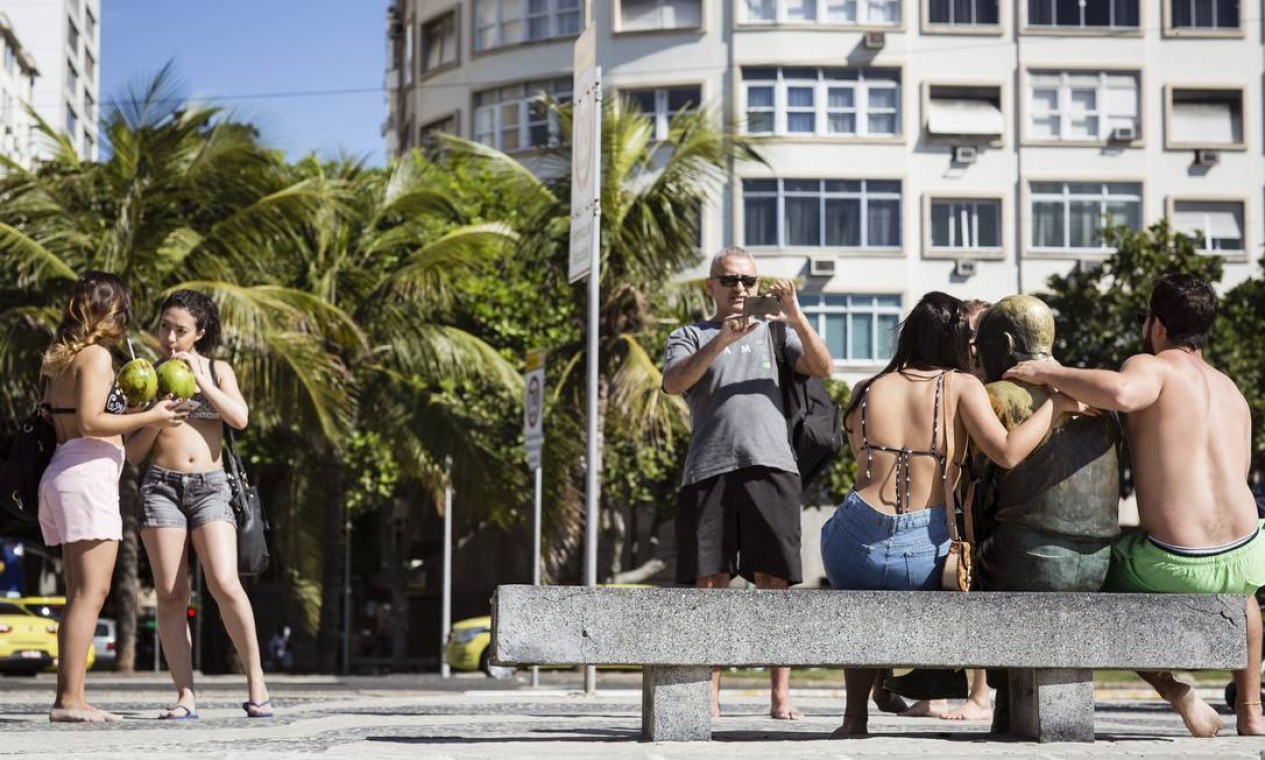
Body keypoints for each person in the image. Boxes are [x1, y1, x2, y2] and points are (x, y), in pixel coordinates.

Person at [1006, 273, 1265, 737]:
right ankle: (1251, 713)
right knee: (1244, 597)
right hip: (1247, 553)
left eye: (1145, 317)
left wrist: (1047, 373)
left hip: (1177, 561)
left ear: (1159, 326)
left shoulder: (1154, 366)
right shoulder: (1231, 390)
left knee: (1083, 580)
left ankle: (1178, 693)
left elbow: (1123, 393)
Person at [820, 292, 1082, 738]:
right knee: (950, 566)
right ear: (958, 340)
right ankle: (908, 679)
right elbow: (1007, 452)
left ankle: (854, 718)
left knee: (865, 592)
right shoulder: (960, 386)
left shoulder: (866, 389)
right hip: (918, 552)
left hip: (848, 541)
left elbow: (861, 459)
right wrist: (1055, 406)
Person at [662, 246, 833, 720]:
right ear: (710, 286)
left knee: (774, 583)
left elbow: (823, 367)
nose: (740, 289)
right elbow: (675, 383)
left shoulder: (778, 334)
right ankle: (709, 694)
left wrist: (795, 314)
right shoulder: (689, 335)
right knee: (710, 584)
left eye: (749, 281)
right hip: (708, 470)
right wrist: (721, 341)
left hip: (772, 467)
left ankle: (780, 696)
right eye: (730, 280)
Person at [38, 272, 188, 722]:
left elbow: (91, 424)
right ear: (105, 312)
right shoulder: (97, 357)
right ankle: (69, 700)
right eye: (122, 310)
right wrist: (154, 413)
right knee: (91, 592)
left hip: (68, 469)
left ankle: (72, 696)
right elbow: (91, 422)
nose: (126, 321)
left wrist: (148, 417)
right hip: (85, 475)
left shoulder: (59, 359)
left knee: (80, 593)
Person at [124, 290, 272, 720]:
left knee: (225, 583)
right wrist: (157, 417)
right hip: (161, 488)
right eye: (165, 327)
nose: (170, 337)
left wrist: (200, 378)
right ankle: (185, 694)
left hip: (210, 487)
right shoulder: (143, 374)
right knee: (172, 595)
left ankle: (256, 681)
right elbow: (132, 454)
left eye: (181, 330)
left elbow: (239, 418)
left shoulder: (217, 369)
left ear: (200, 333)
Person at [887, 299, 995, 723]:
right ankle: (935, 689)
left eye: (971, 337)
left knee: (975, 589)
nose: (965, 344)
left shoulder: (978, 382)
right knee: (947, 590)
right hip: (952, 499)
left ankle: (981, 693)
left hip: (979, 500)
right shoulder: (954, 380)